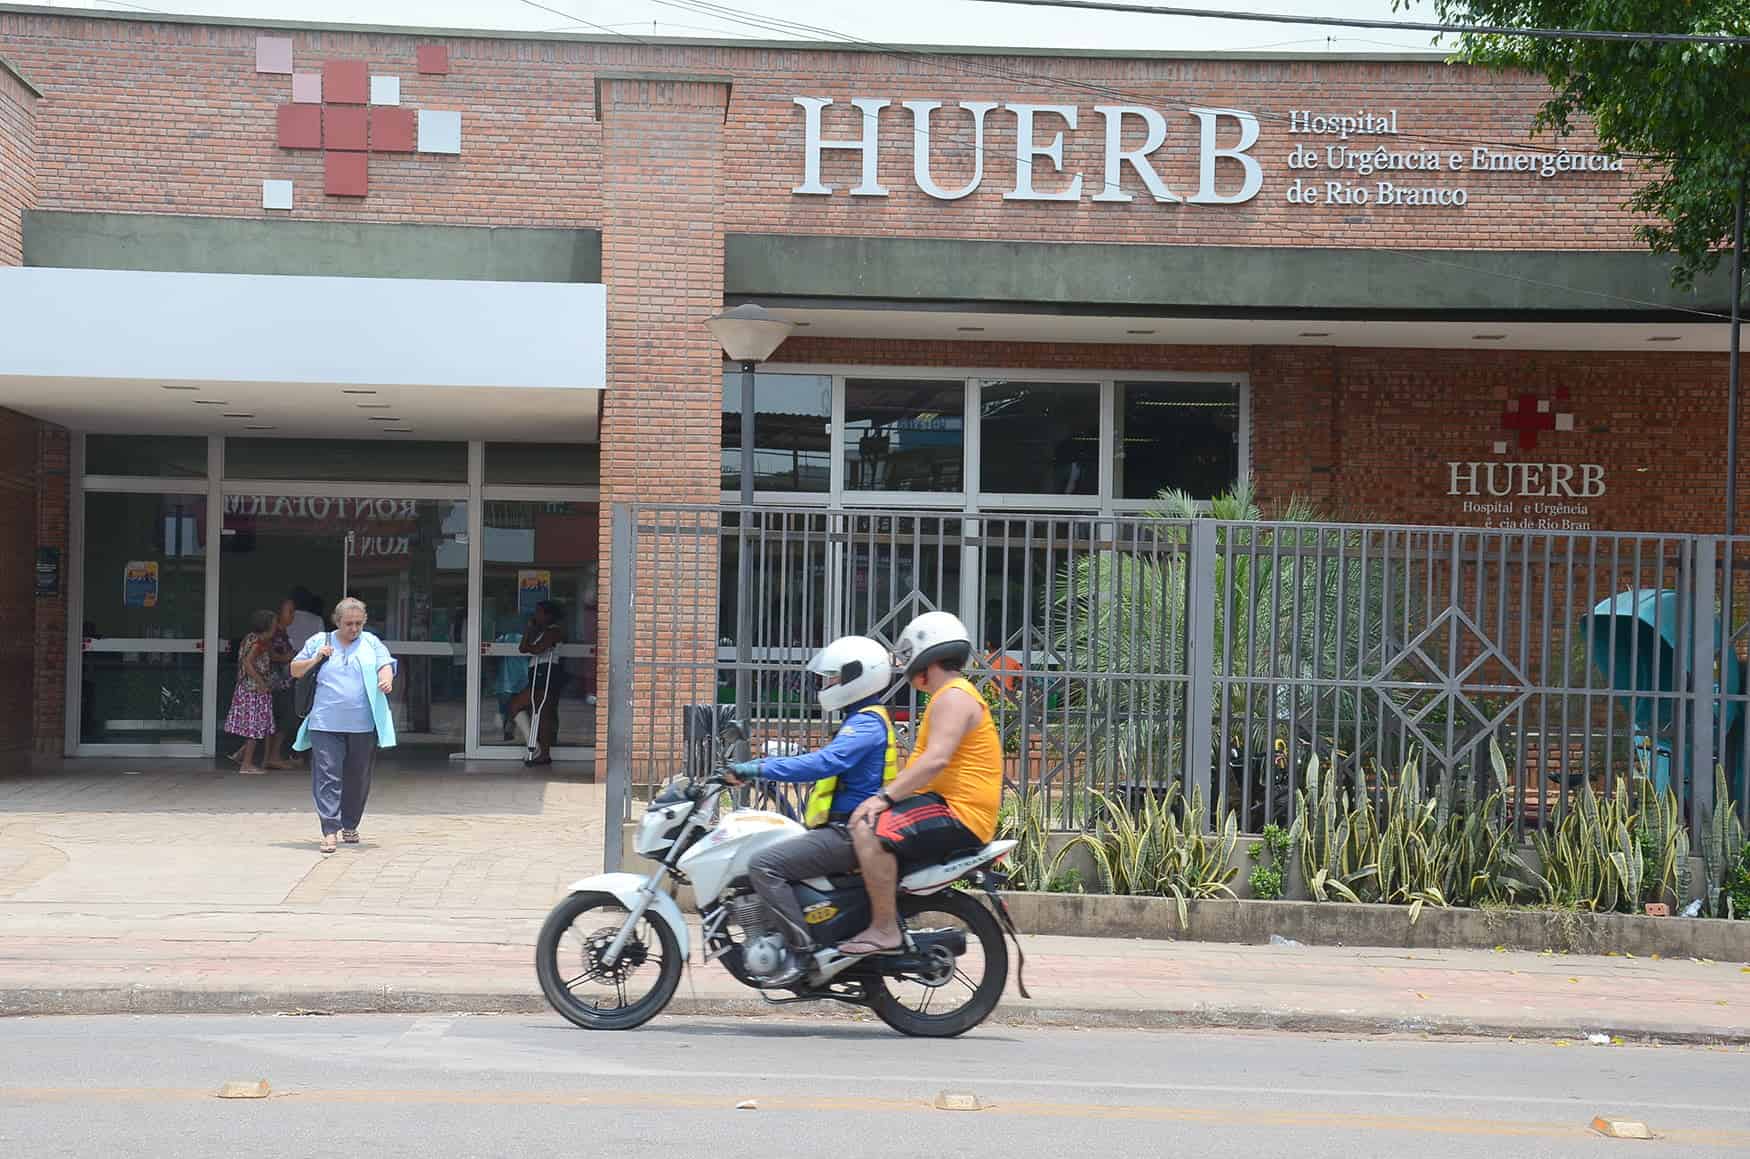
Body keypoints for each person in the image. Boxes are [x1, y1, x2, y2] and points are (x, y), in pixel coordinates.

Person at [721, 636, 898, 985]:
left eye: (832, 678)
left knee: (764, 864)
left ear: (856, 677)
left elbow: (824, 763)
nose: (826, 685)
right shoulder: (860, 718)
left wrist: (756, 768)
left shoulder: (866, 723)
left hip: (849, 832)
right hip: (841, 828)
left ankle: (801, 953)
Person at [839, 611, 1002, 957]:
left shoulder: (954, 696)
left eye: (909, 654)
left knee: (870, 829)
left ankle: (884, 930)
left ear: (927, 653)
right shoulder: (950, 695)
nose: (906, 665)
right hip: (945, 804)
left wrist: (882, 799)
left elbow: (935, 760)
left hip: (960, 813)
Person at [289, 597, 397, 855]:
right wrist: (316, 659)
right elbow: (295, 669)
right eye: (349, 623)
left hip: (362, 725)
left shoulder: (371, 642)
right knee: (327, 775)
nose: (354, 629)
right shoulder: (320, 641)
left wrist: (386, 679)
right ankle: (329, 830)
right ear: (337, 622)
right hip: (325, 723)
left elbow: (386, 664)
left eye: (359, 623)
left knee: (357, 777)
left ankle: (350, 823)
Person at [505, 600, 564, 766]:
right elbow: (523, 648)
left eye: (540, 612)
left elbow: (539, 649)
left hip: (547, 673)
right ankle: (535, 746)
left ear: (549, 615)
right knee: (518, 706)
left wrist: (534, 645)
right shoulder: (540, 631)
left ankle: (542, 753)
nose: (536, 615)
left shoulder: (554, 631)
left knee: (543, 714)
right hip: (537, 673)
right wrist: (529, 630)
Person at [223, 609, 278, 774]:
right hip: (253, 690)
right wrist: (261, 683)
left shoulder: (251, 638)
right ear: (267, 627)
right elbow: (248, 663)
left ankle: (240, 755)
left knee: (257, 726)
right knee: (254, 727)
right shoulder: (257, 643)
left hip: (248, 688)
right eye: (274, 625)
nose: (276, 628)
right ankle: (246, 765)